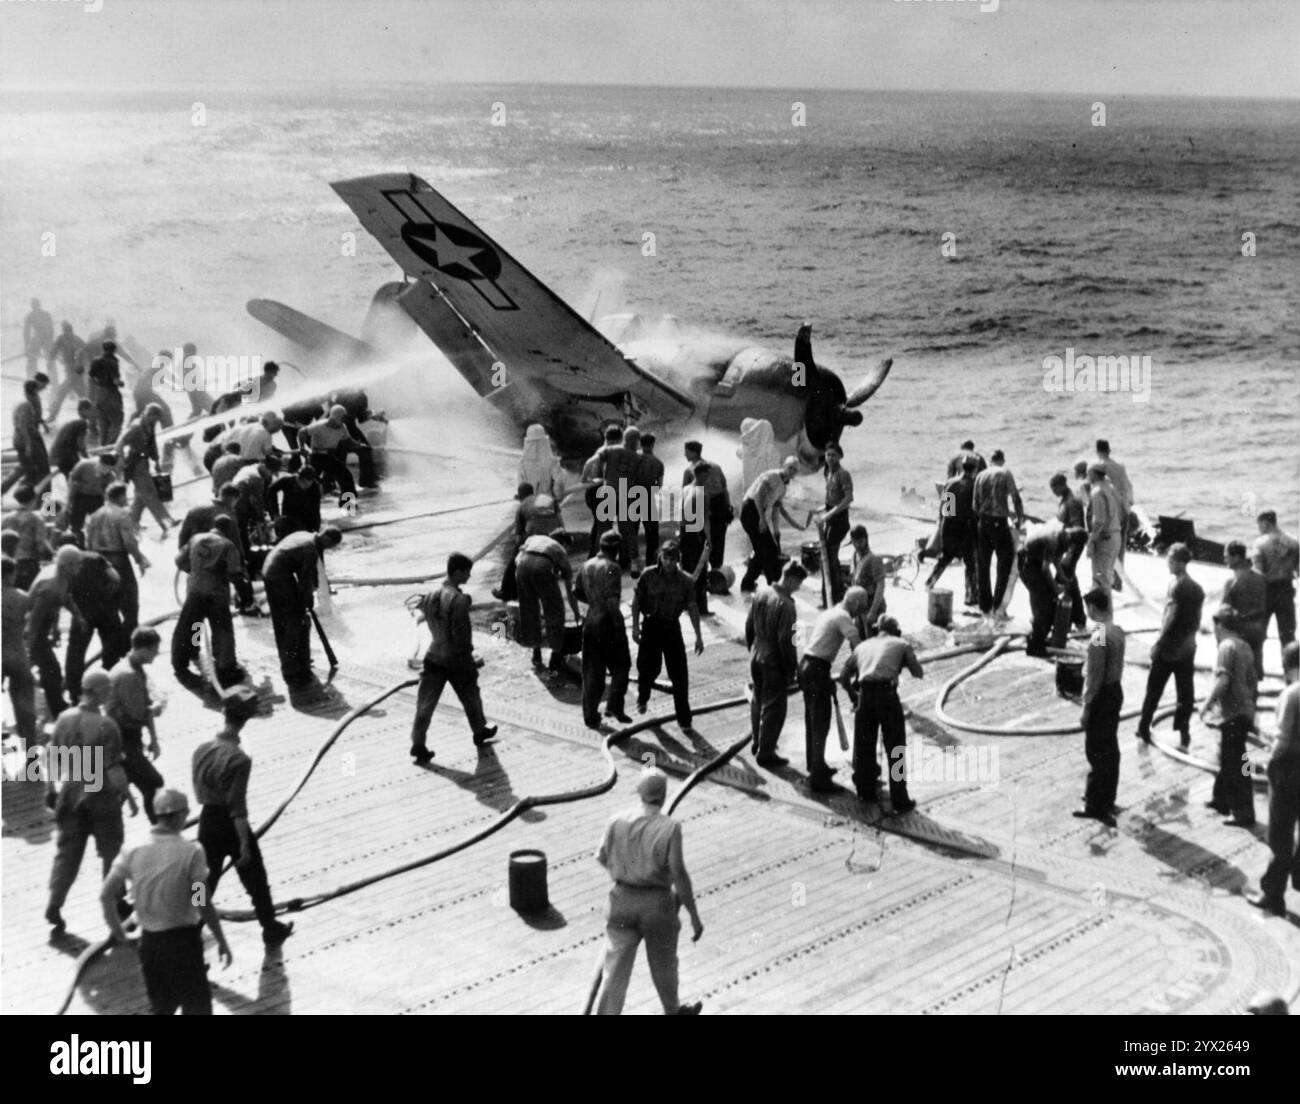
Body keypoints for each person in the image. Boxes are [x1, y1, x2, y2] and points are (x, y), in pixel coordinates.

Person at [100, 788, 232, 1015]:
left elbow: (105, 896)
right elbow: (201, 902)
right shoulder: (191, 852)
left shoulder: (132, 848)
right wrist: (221, 940)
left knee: (162, 1008)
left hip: (150, 945)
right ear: (180, 815)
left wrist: (120, 934)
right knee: (197, 1008)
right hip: (184, 944)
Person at [593, 768, 703, 1016]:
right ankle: (673, 1011)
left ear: (639, 794)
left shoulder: (617, 820)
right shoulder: (670, 828)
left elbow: (601, 856)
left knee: (614, 971)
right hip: (657, 905)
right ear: (663, 796)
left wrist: (625, 872)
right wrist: (694, 916)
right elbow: (679, 874)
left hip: (621, 902)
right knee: (664, 966)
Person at [192, 690, 295, 947]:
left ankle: (190, 928)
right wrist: (244, 844)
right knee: (255, 879)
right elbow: (237, 806)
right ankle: (269, 927)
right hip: (229, 822)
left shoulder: (201, 749)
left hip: (207, 820)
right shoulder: (239, 759)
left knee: (203, 881)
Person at [43, 670, 128, 932]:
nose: (111, 693)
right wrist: (127, 796)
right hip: (99, 789)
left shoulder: (64, 719)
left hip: (70, 789)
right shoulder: (107, 725)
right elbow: (114, 769)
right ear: (100, 692)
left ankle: (55, 902)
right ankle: (114, 902)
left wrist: (51, 789)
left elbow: (50, 759)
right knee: (111, 851)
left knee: (67, 853)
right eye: (109, 689)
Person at [409, 552, 499, 763]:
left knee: (425, 704)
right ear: (457, 571)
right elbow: (462, 634)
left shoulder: (430, 595)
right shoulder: (459, 600)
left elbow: (424, 618)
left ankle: (418, 743)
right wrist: (470, 656)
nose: (469, 576)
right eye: (467, 572)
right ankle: (479, 730)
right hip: (456, 659)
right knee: (471, 696)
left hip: (433, 656)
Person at [838, 614, 923, 813]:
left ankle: (865, 793)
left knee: (865, 746)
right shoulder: (901, 643)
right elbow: (918, 672)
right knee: (896, 748)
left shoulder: (862, 646)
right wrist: (901, 663)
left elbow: (842, 676)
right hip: (887, 696)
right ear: (896, 631)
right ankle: (900, 800)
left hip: (865, 696)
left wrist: (854, 695)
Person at [1244, 641, 1299, 917]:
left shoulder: (1291, 694)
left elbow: (1283, 741)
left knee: (1279, 835)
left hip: (1288, 769)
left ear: (1288, 666)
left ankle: (1273, 893)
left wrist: (1266, 764)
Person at [1135, 543, 1204, 749]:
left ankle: (1144, 727)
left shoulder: (1176, 586)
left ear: (1181, 563)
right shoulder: (1196, 588)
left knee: (1154, 689)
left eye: (1172, 561)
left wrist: (1158, 644)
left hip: (1169, 648)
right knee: (1185, 692)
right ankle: (1184, 731)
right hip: (1188, 646)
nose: (1168, 564)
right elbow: (1197, 619)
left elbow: (1170, 618)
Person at [800, 587, 868, 792]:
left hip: (807, 665)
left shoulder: (830, 612)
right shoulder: (844, 617)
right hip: (817, 669)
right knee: (821, 721)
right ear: (856, 604)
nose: (861, 613)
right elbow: (859, 647)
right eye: (862, 608)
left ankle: (815, 764)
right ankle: (817, 778)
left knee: (812, 719)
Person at [632, 541, 704, 731]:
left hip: (672, 627)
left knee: (680, 675)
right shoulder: (648, 575)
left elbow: (693, 608)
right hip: (651, 626)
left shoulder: (686, 581)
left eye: (673, 558)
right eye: (666, 558)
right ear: (660, 558)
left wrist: (698, 636)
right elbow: (637, 602)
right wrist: (635, 627)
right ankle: (643, 697)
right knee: (648, 668)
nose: (669, 562)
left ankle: (684, 719)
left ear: (678, 559)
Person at [261, 526, 343, 685]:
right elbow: (305, 580)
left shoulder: (305, 536)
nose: (328, 549)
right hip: (279, 577)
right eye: (330, 546)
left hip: (272, 572)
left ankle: (297, 661)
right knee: (295, 622)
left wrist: (308, 596)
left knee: (288, 621)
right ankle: (292, 667)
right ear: (326, 538)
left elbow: (310, 574)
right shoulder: (309, 549)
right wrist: (307, 600)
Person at [1201, 606, 1258, 828]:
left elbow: (1222, 681)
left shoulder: (1226, 646)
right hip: (1244, 712)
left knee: (1235, 764)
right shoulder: (1245, 647)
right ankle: (1221, 799)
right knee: (1232, 758)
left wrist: (1206, 705)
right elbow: (1252, 681)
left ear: (1221, 626)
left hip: (1232, 714)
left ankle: (1243, 812)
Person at [172, 518, 246, 688]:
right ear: (228, 530)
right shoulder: (228, 545)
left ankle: (186, 656)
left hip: (195, 589)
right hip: (216, 593)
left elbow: (179, 561)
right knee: (222, 629)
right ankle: (225, 668)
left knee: (192, 624)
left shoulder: (195, 539)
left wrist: (197, 572)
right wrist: (244, 590)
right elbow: (235, 574)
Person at [747, 558, 808, 766]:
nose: (798, 589)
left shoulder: (761, 593)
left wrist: (753, 649)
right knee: (775, 708)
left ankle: (757, 741)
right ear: (791, 580)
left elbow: (749, 626)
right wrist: (792, 668)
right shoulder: (787, 605)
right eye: (798, 584)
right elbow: (787, 641)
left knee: (757, 699)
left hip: (756, 653)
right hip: (773, 660)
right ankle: (766, 752)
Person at [1073, 588, 1125, 828]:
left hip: (1102, 696)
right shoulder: (1117, 630)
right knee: (1110, 749)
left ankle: (1095, 804)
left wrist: (1086, 708)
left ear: (1093, 608)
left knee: (1096, 750)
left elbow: (1094, 678)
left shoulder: (1099, 637)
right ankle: (1107, 797)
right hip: (1115, 691)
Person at [106, 627, 166, 823]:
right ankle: (160, 832)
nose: (157, 654)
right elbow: (138, 714)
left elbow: (143, 707)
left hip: (128, 739)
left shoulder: (133, 668)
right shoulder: (128, 676)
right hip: (122, 742)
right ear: (144, 649)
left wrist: (154, 739)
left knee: (124, 788)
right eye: (155, 649)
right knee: (154, 783)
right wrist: (158, 708)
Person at [25, 547, 87, 720]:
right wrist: (29, 650)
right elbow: (34, 620)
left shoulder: (61, 575)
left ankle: (55, 703)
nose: (80, 567)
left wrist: (78, 616)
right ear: (67, 565)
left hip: (41, 625)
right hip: (32, 629)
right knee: (52, 670)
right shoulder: (50, 586)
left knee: (48, 668)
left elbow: (65, 597)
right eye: (77, 564)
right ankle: (58, 709)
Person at [579, 531, 631, 728]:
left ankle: (590, 716)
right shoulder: (612, 568)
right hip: (607, 624)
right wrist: (619, 627)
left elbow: (578, 592)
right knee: (622, 665)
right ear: (617, 549)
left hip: (590, 622)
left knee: (592, 672)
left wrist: (594, 601)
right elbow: (612, 603)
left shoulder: (586, 565)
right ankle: (614, 705)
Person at [86, 482, 150, 637]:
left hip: (99, 561)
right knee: (129, 604)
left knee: (108, 605)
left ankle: (114, 644)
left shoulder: (94, 516)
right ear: (121, 496)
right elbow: (129, 541)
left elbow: (88, 542)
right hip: (118, 560)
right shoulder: (122, 514)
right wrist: (139, 559)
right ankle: (130, 639)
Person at [62, 543, 125, 702]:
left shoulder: (64, 566)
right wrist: (107, 596)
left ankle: (75, 694)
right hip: (107, 611)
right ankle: (110, 691)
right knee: (111, 651)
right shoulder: (95, 557)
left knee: (76, 654)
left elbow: (64, 592)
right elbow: (116, 578)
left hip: (83, 614)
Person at [515, 529, 580, 674]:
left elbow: (519, 554)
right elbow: (569, 589)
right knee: (554, 610)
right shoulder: (560, 549)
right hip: (541, 567)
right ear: (564, 543)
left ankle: (536, 652)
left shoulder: (535, 537)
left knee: (529, 609)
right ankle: (556, 656)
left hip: (521, 567)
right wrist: (576, 613)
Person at [1018, 523, 1086, 659]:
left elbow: (1055, 560)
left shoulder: (1064, 538)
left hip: (1036, 562)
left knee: (1049, 602)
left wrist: (1063, 577)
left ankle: (1039, 637)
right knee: (1044, 606)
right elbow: (1045, 568)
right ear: (1072, 540)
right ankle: (1034, 646)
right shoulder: (1055, 539)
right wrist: (1055, 586)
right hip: (1028, 564)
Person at [739, 456, 805, 591]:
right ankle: (774, 584)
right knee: (769, 550)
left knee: (761, 549)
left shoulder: (783, 488)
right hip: (750, 509)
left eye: (794, 470)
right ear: (784, 466)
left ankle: (747, 583)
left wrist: (776, 531)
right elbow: (757, 496)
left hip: (757, 512)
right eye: (789, 467)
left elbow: (777, 510)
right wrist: (762, 520)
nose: (791, 471)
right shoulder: (772, 476)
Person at [972, 449, 1024, 622]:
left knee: (983, 565)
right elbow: (1016, 498)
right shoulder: (1005, 473)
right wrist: (1019, 520)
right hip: (999, 524)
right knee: (1005, 565)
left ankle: (984, 607)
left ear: (990, 460)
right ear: (1002, 460)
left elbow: (975, 505)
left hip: (983, 523)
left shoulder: (980, 475)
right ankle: (998, 607)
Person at [924, 454, 978, 607]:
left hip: (949, 525)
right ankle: (970, 597)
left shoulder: (950, 483)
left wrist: (944, 528)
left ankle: (929, 583)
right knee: (970, 563)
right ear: (974, 469)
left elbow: (946, 509)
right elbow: (975, 510)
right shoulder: (974, 485)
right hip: (965, 527)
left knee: (945, 558)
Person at [300, 403, 377, 503]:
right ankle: (301, 506)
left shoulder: (342, 428)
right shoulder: (320, 426)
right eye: (342, 418)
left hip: (329, 456)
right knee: (308, 480)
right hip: (316, 457)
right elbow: (302, 432)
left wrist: (359, 445)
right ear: (335, 417)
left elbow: (348, 440)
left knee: (346, 476)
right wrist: (302, 447)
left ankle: (347, 504)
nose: (344, 420)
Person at [117, 403, 173, 533]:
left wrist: (156, 460)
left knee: (140, 496)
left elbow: (151, 443)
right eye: (156, 418)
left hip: (144, 461)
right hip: (135, 464)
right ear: (151, 415)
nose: (156, 421)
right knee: (150, 493)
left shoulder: (149, 425)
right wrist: (121, 460)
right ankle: (165, 520)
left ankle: (133, 522)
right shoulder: (136, 427)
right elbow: (120, 442)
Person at [593, 426, 643, 571]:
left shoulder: (610, 450)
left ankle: (602, 560)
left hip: (608, 492)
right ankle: (633, 562)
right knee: (628, 530)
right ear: (636, 441)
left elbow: (595, 461)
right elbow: (640, 478)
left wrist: (598, 475)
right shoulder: (638, 457)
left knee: (603, 529)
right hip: (626, 493)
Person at [1, 556, 38, 744]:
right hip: (16, 653)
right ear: (10, 574)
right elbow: (32, 627)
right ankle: (30, 748)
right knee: (24, 703)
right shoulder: (23, 597)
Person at [1252, 510, 1298, 650]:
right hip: (1286, 591)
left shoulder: (1260, 543)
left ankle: (1256, 670)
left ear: (1265, 524)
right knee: (1288, 636)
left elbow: (1257, 573)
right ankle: (1291, 669)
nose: (1259, 530)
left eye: (1259, 526)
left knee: (1258, 635)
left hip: (1267, 592)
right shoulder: (1294, 542)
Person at [814, 442, 854, 604]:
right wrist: (821, 509)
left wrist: (828, 514)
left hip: (839, 522)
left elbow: (848, 499)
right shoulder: (827, 472)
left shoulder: (843, 474)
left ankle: (833, 596)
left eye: (833, 455)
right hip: (830, 520)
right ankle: (832, 594)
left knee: (829, 558)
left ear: (840, 456)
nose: (830, 458)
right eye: (828, 454)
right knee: (829, 558)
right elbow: (831, 499)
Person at [1223, 540, 1269, 680]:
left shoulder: (1232, 582)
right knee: (1254, 671)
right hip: (1258, 629)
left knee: (1239, 673)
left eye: (1227, 556)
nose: (1225, 560)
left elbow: (1225, 610)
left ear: (1236, 557)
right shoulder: (1261, 579)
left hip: (1241, 631)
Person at [3, 380, 51, 496]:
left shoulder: (21, 400)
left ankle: (23, 497)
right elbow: (23, 426)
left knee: (27, 469)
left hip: (20, 438)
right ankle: (48, 508)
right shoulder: (26, 404)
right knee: (44, 471)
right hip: (27, 439)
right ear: (34, 390)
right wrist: (29, 445)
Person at [582, 426, 625, 554]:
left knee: (599, 525)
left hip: (596, 492)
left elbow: (590, 467)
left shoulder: (600, 450)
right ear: (620, 438)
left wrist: (584, 477)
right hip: (612, 492)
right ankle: (619, 555)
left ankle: (594, 553)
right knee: (619, 526)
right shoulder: (617, 450)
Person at [3, 485, 54, 591]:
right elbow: (40, 544)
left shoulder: (6, 518)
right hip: (28, 563)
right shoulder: (36, 519)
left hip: (7, 561)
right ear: (33, 499)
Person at [1084, 462, 1123, 598]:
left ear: (1093, 474)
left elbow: (1099, 520)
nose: (1087, 476)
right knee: (1106, 577)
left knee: (1100, 579)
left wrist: (1091, 540)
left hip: (1105, 539)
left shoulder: (1097, 491)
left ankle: (1104, 617)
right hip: (1115, 535)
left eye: (1088, 473)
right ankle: (1105, 615)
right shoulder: (1110, 488)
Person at [677, 467, 712, 616]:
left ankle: (685, 604)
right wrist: (709, 538)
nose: (708, 478)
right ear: (700, 474)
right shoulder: (702, 493)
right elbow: (704, 518)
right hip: (695, 533)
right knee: (700, 570)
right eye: (706, 474)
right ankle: (701, 608)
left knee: (686, 567)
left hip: (684, 532)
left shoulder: (685, 489)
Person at [1095, 439, 1134, 564]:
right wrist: (1128, 506)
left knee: (1106, 547)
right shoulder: (1120, 467)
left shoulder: (1098, 468)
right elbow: (1128, 488)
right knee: (1120, 546)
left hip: (1108, 513)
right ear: (1109, 450)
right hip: (1123, 510)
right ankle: (1118, 580)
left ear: (1097, 451)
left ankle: (1108, 579)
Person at [633, 432, 665, 571]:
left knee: (630, 532)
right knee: (652, 534)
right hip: (648, 498)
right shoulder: (658, 463)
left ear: (640, 443)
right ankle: (651, 563)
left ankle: (630, 563)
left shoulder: (633, 459)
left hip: (631, 498)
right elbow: (659, 485)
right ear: (653, 444)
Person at [66, 453, 118, 536]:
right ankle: (76, 537)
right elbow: (72, 478)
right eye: (104, 467)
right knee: (76, 522)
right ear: (99, 463)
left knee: (99, 523)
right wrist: (69, 498)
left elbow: (111, 493)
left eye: (109, 468)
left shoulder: (111, 477)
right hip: (81, 496)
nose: (106, 470)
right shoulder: (84, 465)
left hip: (97, 498)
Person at [848, 525, 887, 634]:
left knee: (871, 643)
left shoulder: (874, 560)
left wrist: (873, 611)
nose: (857, 545)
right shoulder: (855, 556)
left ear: (866, 539)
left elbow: (881, 586)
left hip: (872, 606)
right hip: (859, 607)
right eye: (854, 542)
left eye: (860, 542)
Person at [46, 321, 87, 420]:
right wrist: (50, 359)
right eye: (65, 331)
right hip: (71, 369)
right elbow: (53, 351)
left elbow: (86, 350)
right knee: (82, 394)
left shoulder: (75, 339)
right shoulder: (62, 338)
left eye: (68, 331)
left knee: (63, 393)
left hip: (76, 370)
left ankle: (52, 415)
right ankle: (88, 417)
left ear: (71, 330)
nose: (67, 333)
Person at [87, 339, 126, 446]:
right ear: (114, 350)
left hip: (100, 394)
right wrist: (121, 384)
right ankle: (110, 445)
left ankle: (102, 446)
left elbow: (91, 377)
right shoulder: (113, 362)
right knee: (117, 420)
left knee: (103, 421)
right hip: (111, 394)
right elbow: (116, 381)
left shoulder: (96, 361)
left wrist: (99, 384)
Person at [268, 464, 322, 538]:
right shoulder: (288, 480)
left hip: (306, 520)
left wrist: (316, 530)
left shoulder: (315, 487)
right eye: (304, 483)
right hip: (288, 517)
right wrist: (275, 513)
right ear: (298, 479)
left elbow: (316, 510)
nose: (307, 486)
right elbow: (270, 491)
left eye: (310, 484)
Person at [49, 399, 95, 482]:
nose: (92, 412)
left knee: (73, 477)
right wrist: (88, 458)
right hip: (64, 457)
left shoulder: (73, 420)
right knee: (78, 478)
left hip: (57, 454)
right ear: (84, 410)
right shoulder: (82, 423)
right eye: (90, 410)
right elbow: (80, 444)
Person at [518, 423, 560, 498]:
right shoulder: (552, 462)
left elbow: (520, 486)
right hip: (547, 501)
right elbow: (559, 484)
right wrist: (557, 497)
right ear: (544, 441)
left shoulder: (522, 463)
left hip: (529, 502)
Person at [23, 297, 54, 378]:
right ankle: (31, 379)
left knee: (49, 360)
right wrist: (26, 345)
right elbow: (26, 331)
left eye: (35, 305)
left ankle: (53, 381)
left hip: (44, 338)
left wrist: (27, 346)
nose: (34, 307)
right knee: (32, 360)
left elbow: (51, 329)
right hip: (41, 338)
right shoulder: (31, 315)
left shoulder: (44, 314)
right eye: (33, 306)